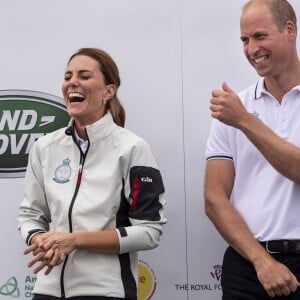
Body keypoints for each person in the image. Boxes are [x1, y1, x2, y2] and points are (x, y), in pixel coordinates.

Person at [17, 47, 166, 300]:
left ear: (109, 91)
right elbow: (30, 214)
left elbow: (149, 231)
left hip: (105, 290)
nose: (73, 82)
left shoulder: (132, 148)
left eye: (84, 76)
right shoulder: (45, 147)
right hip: (47, 289)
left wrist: (75, 240)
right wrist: (41, 239)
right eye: (68, 77)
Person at [204, 0, 300, 299]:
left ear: (289, 31)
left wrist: (244, 121)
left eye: (259, 36)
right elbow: (214, 198)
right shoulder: (234, 106)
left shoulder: (236, 113)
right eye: (245, 40)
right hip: (248, 267)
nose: (251, 49)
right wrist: (262, 262)